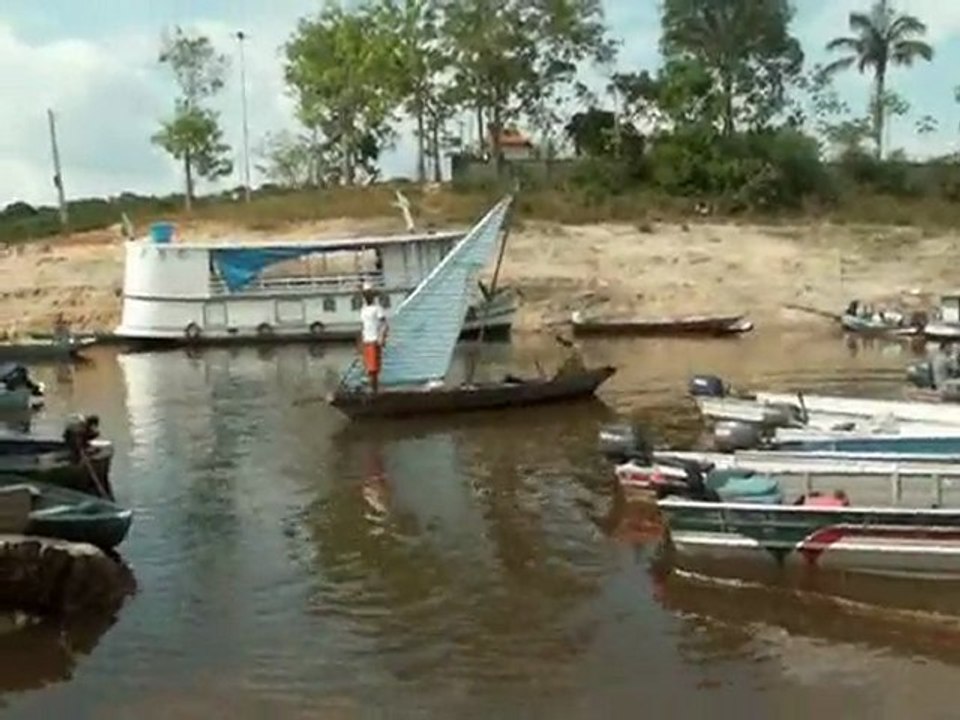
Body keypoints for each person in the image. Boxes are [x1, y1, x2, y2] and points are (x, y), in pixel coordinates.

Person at [358, 281, 388, 393]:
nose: (367, 297)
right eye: (365, 295)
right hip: (366, 340)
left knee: (373, 369)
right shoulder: (363, 310)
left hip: (374, 340)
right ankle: (372, 390)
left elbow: (384, 324)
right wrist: (361, 342)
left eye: (369, 294)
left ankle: (374, 391)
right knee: (369, 369)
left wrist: (382, 337)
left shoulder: (377, 308)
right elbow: (363, 326)